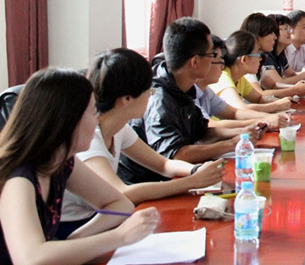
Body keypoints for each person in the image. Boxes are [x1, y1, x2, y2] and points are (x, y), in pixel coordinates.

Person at [58, 49, 226, 238]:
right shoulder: (90, 137)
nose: (151, 97)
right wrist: (192, 182)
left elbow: (163, 164)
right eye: (149, 91)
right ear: (127, 99)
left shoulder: (119, 128)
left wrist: (196, 170)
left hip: (103, 218)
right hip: (75, 227)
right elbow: (121, 193)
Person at [0, 68, 159, 264]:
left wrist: (77, 238)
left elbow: (120, 204)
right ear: (67, 120)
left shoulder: (62, 161)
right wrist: (120, 236)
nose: (97, 120)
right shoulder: (18, 177)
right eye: (93, 112)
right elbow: (31, 259)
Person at [119, 17, 266, 184]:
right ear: (195, 61)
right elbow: (175, 154)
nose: (219, 62)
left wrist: (243, 133)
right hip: (149, 185)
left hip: (177, 178)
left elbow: (203, 132)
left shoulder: (185, 88)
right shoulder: (160, 100)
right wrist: (230, 144)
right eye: (212, 54)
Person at [209, 30, 294, 115]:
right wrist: (276, 106)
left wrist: (279, 101)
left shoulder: (240, 78)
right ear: (244, 59)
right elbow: (241, 109)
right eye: (258, 54)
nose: (260, 59)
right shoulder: (223, 78)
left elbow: (258, 98)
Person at [240, 12, 305, 97]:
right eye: (270, 33)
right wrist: (295, 89)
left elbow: (273, 85)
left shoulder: (260, 59)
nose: (274, 37)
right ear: (257, 37)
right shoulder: (248, 62)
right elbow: (260, 95)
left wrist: (299, 87)